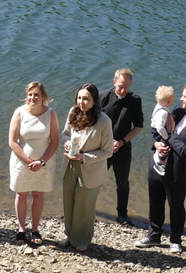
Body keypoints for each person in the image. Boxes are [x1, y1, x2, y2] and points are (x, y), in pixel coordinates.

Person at [135, 82, 186, 254]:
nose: (180, 98)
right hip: (157, 165)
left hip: (178, 172)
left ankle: (176, 240)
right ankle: (153, 235)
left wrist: (170, 136)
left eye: (184, 96)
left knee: (176, 206)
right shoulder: (177, 110)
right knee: (155, 202)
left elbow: (185, 152)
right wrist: (156, 142)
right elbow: (156, 126)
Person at [59, 83, 114, 251]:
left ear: (94, 101)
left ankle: (82, 239)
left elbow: (108, 151)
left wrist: (84, 157)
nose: (81, 102)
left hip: (90, 169)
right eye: (79, 98)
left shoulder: (104, 121)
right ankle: (69, 235)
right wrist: (67, 144)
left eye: (86, 99)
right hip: (70, 165)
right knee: (69, 201)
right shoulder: (72, 112)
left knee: (85, 205)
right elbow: (65, 134)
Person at [8, 82, 59, 245]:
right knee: (21, 194)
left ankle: (35, 228)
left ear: (43, 96)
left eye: (36, 94)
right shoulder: (19, 112)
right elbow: (12, 141)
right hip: (22, 162)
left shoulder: (51, 114)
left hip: (44, 163)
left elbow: (54, 142)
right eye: (30, 94)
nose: (33, 98)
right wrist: (28, 161)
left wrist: (41, 162)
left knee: (38, 194)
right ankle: (22, 229)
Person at [99, 68, 143, 226]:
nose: (123, 90)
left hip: (123, 147)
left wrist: (122, 142)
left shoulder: (135, 100)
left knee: (122, 182)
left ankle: (122, 214)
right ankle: (88, 208)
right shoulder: (103, 97)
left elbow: (138, 126)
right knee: (94, 179)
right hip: (102, 147)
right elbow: (93, 123)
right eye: (120, 86)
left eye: (127, 87)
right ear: (114, 82)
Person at [150, 86, 175, 176]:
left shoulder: (159, 106)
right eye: (173, 99)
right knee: (165, 146)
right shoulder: (163, 113)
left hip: (155, 128)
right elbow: (160, 127)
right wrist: (167, 137)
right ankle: (160, 163)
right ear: (168, 102)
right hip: (159, 130)